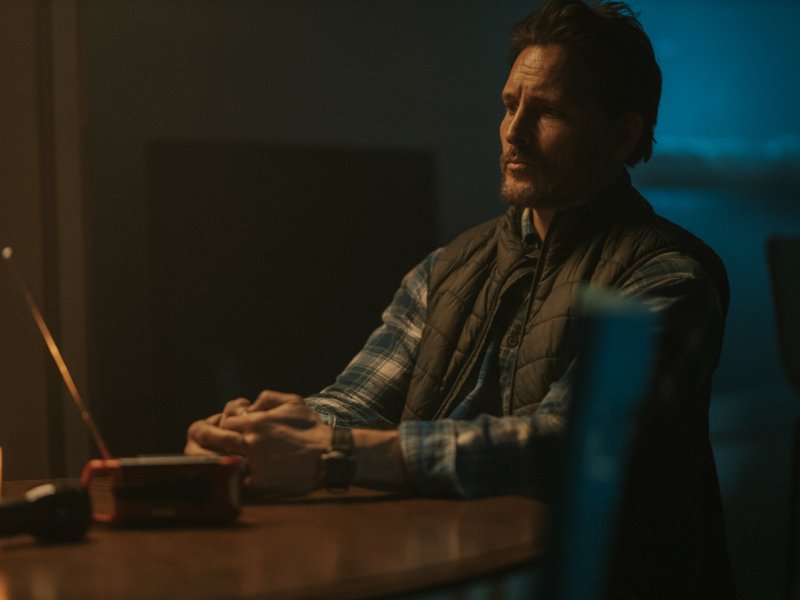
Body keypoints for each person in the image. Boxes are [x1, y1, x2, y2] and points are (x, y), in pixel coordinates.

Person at [186, 0, 736, 597]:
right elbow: (359, 399)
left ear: (622, 134)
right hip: (444, 574)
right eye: (510, 105)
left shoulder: (668, 278)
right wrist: (253, 439)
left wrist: (332, 454)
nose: (514, 131)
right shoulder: (448, 266)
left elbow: (566, 446)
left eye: (549, 111)